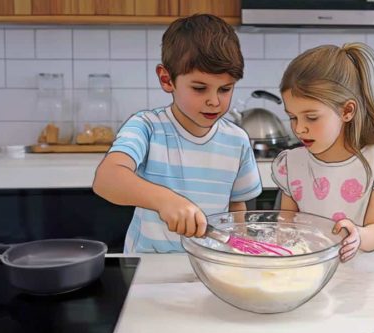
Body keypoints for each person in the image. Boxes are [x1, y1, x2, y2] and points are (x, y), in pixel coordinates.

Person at [93, 14, 262, 253]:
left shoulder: (237, 140)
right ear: (166, 79)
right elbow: (106, 179)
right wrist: (165, 200)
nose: (214, 101)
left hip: (210, 265)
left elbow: (237, 205)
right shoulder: (146, 127)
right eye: (199, 88)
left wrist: (241, 251)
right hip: (150, 270)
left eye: (225, 89)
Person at [271, 43, 374, 262]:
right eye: (293, 117)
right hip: (305, 273)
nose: (299, 128)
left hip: (358, 276)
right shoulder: (291, 164)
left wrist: (357, 236)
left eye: (311, 117)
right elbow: (286, 225)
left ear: (347, 111)